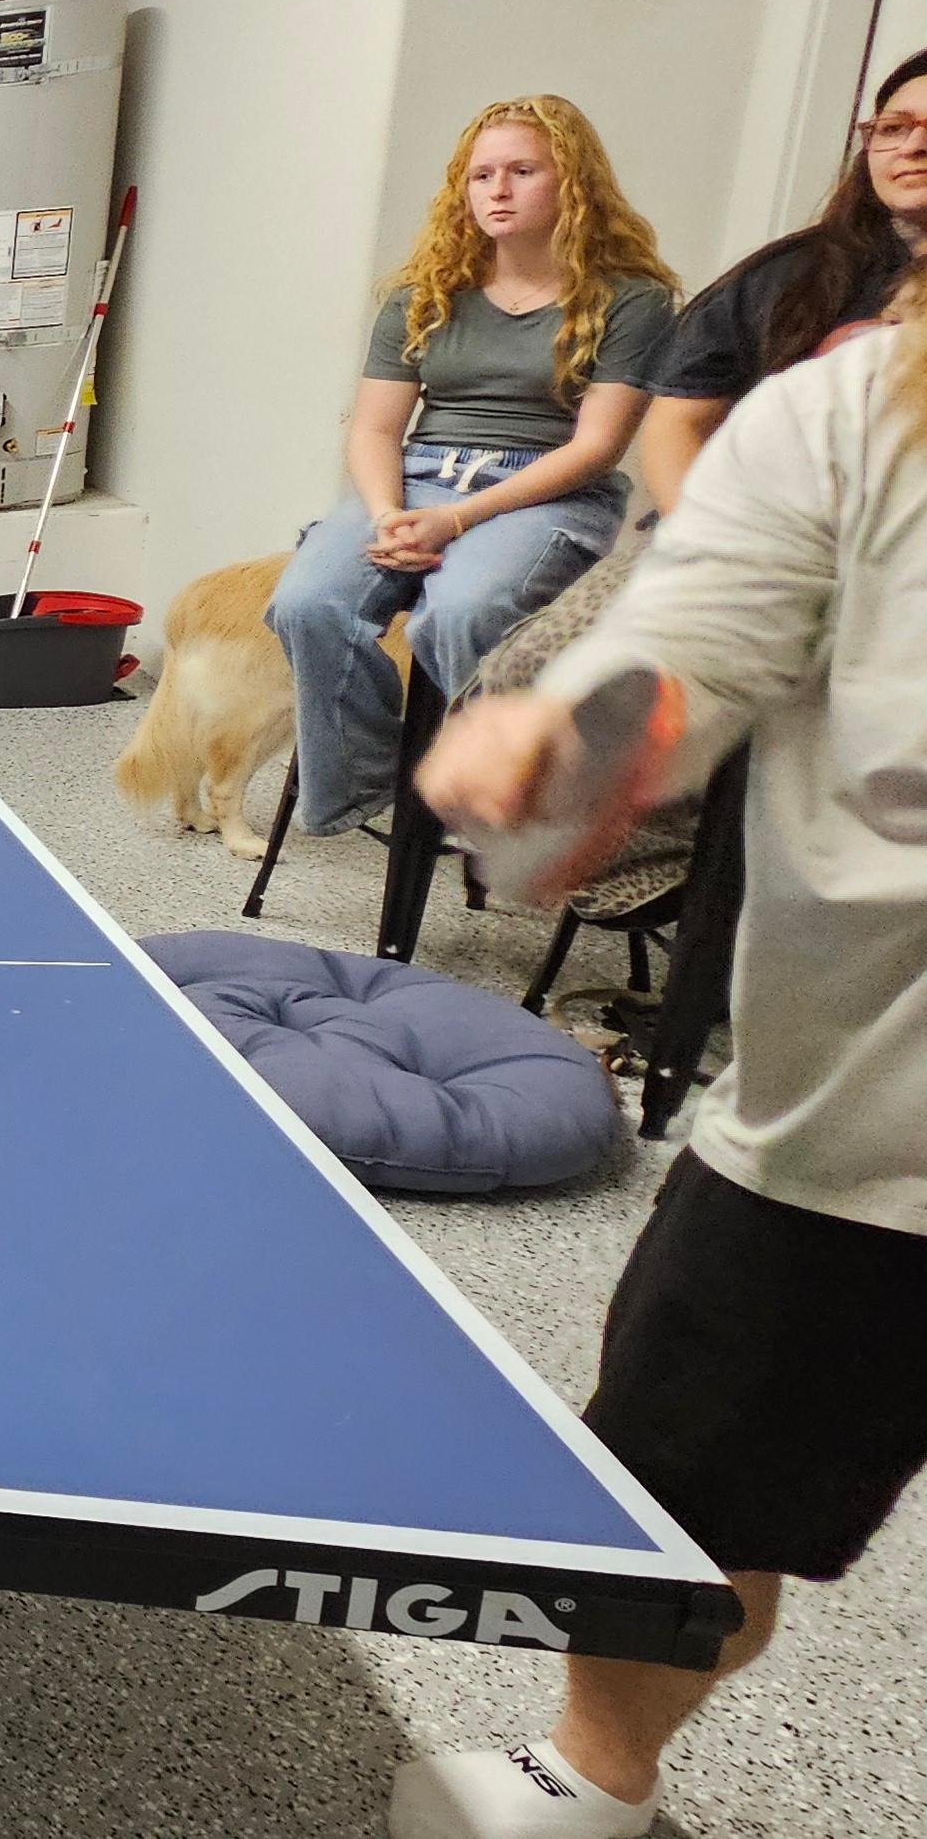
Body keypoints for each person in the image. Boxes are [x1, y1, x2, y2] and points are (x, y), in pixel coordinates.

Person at [389, 267, 927, 1839]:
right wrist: (569, 727)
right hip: (869, 1120)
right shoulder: (850, 413)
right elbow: (700, 634)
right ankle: (595, 1776)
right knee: (680, 1506)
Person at [264, 95, 672, 836]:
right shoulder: (421, 296)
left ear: (573, 184)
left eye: (522, 171)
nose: (499, 191)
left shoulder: (632, 302)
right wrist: (391, 515)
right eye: (481, 176)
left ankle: (503, 803)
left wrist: (457, 518)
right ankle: (377, 785)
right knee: (308, 603)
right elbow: (375, 429)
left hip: (547, 487)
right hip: (417, 475)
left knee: (461, 613)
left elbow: (597, 448)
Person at [630, 49, 926, 515]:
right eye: (893, 128)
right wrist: (710, 547)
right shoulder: (788, 273)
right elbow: (679, 424)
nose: (912, 146)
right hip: (770, 535)